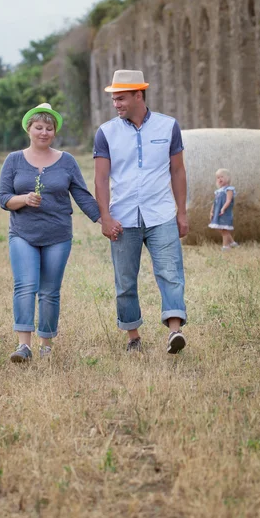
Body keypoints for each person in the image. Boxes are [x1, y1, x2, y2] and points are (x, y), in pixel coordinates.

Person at [0, 103, 121, 363]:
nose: (44, 132)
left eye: (49, 128)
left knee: (49, 291)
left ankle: (46, 345)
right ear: (29, 129)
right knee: (25, 285)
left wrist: (103, 220)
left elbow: (81, 195)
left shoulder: (66, 161)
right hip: (23, 233)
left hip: (58, 235)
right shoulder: (13, 160)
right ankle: (24, 346)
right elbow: (4, 198)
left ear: (54, 132)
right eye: (38, 127)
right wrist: (23, 199)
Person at [93, 69, 188, 354]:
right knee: (125, 281)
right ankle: (133, 336)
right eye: (114, 99)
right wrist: (105, 217)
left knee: (171, 272)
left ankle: (175, 331)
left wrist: (182, 212)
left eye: (121, 98)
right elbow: (100, 179)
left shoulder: (168, 126)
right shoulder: (106, 133)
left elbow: (177, 170)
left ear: (138, 95)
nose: (116, 104)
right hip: (123, 218)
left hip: (161, 215)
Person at [208, 168, 239, 251]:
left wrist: (223, 208)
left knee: (224, 229)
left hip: (224, 212)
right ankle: (232, 243)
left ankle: (226, 246)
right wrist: (211, 212)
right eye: (218, 177)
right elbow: (215, 202)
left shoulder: (229, 189)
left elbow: (228, 200)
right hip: (218, 212)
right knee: (220, 228)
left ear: (227, 178)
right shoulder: (218, 191)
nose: (219, 179)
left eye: (221, 177)